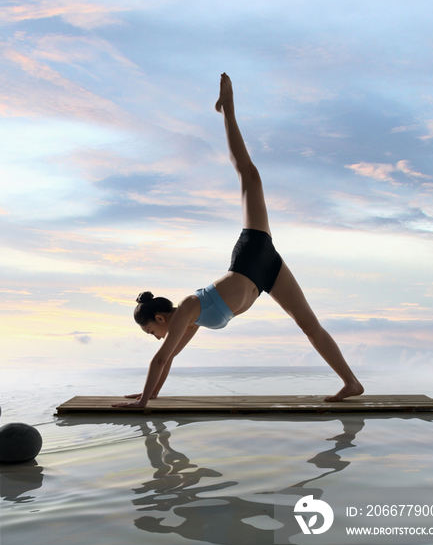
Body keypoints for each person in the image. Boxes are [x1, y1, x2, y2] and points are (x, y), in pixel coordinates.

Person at [113, 74, 363, 408]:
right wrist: (152, 395)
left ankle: (228, 110)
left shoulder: (188, 306)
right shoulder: (191, 320)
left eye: (150, 333)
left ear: (160, 319)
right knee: (309, 326)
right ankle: (352, 382)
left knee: (249, 175)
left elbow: (158, 359)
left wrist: (141, 403)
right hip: (267, 273)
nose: (155, 339)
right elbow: (168, 359)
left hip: (251, 255)